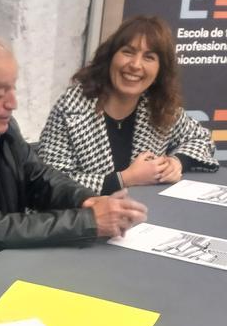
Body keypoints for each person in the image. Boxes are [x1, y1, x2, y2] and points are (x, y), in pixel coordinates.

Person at [0, 34, 148, 251]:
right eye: (0, 93)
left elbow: (37, 176)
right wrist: (88, 221)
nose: (13, 103)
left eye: (13, 88)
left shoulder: (1, 127)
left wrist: (86, 200)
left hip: (3, 260)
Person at [37, 15, 217, 194]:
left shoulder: (158, 105)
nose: (135, 65)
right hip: (82, 217)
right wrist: (124, 179)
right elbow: (49, 182)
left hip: (142, 214)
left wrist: (177, 162)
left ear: (159, 71)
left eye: (149, 57)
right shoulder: (70, 107)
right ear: (110, 58)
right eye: (128, 52)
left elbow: (201, 139)